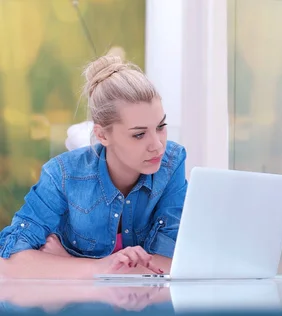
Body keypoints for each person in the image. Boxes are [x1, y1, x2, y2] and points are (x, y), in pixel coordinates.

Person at [0, 54, 187, 279]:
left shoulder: (171, 163)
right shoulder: (62, 175)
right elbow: (9, 262)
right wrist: (99, 268)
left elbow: (172, 264)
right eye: (139, 134)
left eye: (161, 126)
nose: (157, 146)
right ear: (102, 135)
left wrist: (68, 263)